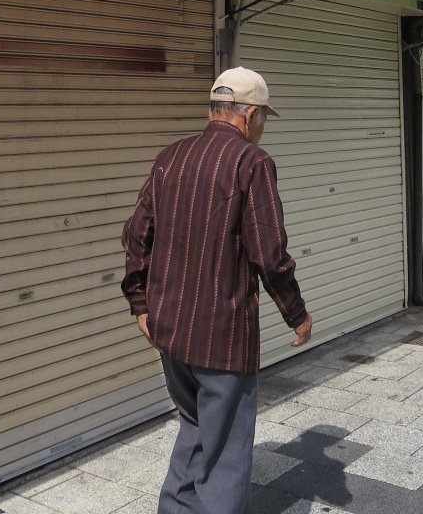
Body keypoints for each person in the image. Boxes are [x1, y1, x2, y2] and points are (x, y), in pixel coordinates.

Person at [121, 67, 312, 514]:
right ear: (249, 115)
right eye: (263, 115)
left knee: (195, 428)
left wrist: (140, 305)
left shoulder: (171, 157)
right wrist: (296, 313)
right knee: (225, 450)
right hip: (223, 336)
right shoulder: (252, 163)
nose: (262, 126)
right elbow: (269, 252)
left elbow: (135, 235)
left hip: (169, 329)